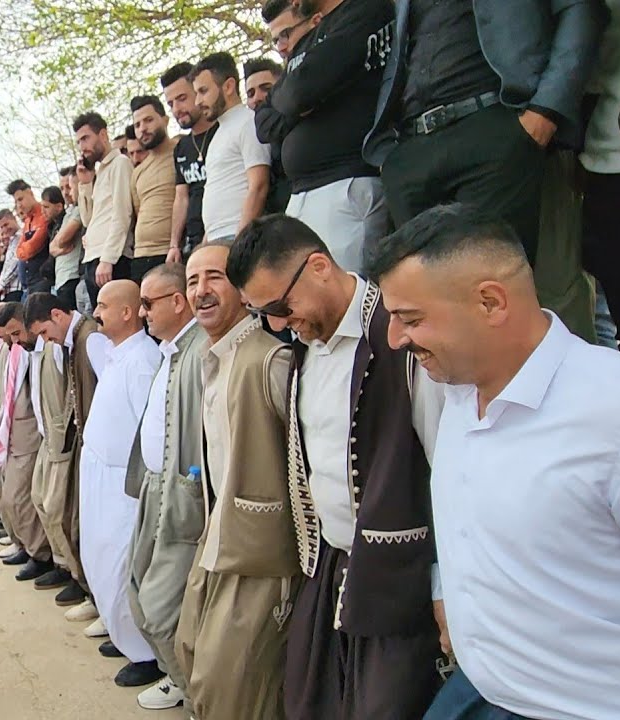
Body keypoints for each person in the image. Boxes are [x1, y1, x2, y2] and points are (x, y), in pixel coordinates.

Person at [365, 203, 620, 720]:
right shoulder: (456, 392)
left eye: (410, 319)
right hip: (478, 695)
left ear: (491, 302)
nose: (396, 339)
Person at [228, 215, 447, 719]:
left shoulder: (402, 339)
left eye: (282, 307)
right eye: (265, 314)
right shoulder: (304, 348)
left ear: (320, 267)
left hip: (399, 586)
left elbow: (451, 471)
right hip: (330, 570)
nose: (280, 325)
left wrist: (444, 589)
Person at [364, 0, 604, 267]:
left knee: (489, 282)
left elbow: (580, 10)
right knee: (426, 296)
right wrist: (390, 156)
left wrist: (546, 110)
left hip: (493, 124)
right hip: (412, 146)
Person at [175, 243, 299, 720]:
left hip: (261, 560)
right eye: (191, 281)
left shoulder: (271, 361)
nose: (201, 291)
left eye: (214, 278)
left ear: (245, 290)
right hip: (217, 541)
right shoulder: (213, 361)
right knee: (192, 656)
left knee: (233, 690)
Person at [254, 0, 393, 273]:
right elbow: (263, 122)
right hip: (301, 193)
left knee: (344, 291)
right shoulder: (307, 44)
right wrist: (296, 104)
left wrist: (292, 99)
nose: (282, 45)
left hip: (344, 184)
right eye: (276, 40)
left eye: (286, 34)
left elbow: (298, 91)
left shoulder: (363, 11)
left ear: (314, 20)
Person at [123, 263, 206, 711]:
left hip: (180, 499)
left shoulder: (200, 351)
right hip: (153, 490)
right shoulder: (172, 350)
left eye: (149, 304)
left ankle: (198, 698)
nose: (142, 314)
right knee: (136, 591)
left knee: (158, 608)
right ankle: (177, 680)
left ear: (178, 302)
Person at [78, 280, 163, 688]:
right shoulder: (115, 354)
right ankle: (122, 634)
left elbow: (149, 433)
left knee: (120, 562)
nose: (97, 313)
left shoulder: (143, 358)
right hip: (99, 475)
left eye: (103, 306)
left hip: (121, 484)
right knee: (99, 557)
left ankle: (145, 652)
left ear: (128, 312)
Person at [25, 292, 101, 613]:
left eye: (44, 331)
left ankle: (93, 594)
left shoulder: (91, 339)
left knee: (77, 517)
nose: (45, 340)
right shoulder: (73, 340)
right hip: (84, 441)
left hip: (95, 447)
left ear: (57, 314)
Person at [0, 303, 53, 581]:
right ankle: (28, 547)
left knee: (22, 497)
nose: (10, 340)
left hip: (30, 435)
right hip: (12, 432)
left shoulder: (41, 349)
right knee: (12, 496)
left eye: (14, 333)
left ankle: (42, 555)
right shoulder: (13, 350)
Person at [193, 52, 272, 243]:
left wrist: (240, 242)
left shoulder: (248, 122)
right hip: (215, 237)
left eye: (203, 91)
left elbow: (259, 185)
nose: (198, 101)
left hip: (235, 236)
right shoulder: (218, 134)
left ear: (228, 86)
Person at [74, 111, 135, 306]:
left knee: (117, 321)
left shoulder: (120, 163)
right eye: (79, 142)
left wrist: (108, 259)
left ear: (102, 135)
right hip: (94, 258)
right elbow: (88, 220)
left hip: (111, 258)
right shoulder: (100, 171)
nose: (82, 147)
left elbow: (122, 214)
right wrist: (84, 184)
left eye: (85, 138)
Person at [162, 62, 219, 262]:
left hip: (222, 234)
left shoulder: (224, 132)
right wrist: (174, 245)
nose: (177, 109)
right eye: (170, 104)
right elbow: (181, 197)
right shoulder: (182, 147)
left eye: (182, 99)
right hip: (191, 243)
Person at [129, 95, 177, 283]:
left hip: (170, 252)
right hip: (141, 255)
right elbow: (138, 211)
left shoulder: (181, 151)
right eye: (137, 125)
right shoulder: (138, 171)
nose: (143, 129)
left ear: (165, 120)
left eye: (149, 120)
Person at [49, 167, 86, 312]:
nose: (65, 192)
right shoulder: (68, 213)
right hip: (61, 279)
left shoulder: (79, 210)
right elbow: (52, 248)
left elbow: (63, 239)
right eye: (62, 188)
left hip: (72, 276)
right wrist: (58, 248)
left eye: (68, 187)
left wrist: (58, 245)